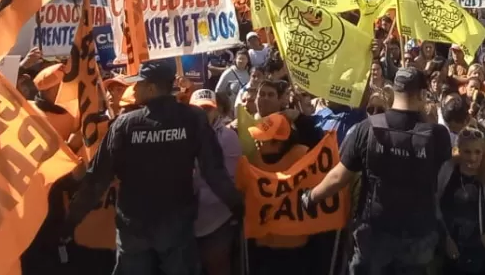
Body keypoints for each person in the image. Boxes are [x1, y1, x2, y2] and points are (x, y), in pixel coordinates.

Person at [63, 60, 242, 275]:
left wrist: (72, 218)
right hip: (176, 226)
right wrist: (238, 206)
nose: (134, 89)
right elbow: (214, 171)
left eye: (139, 84)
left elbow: (97, 179)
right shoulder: (193, 119)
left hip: (134, 227)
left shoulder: (124, 124)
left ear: (152, 88)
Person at [302, 68, 452, 275]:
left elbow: (339, 177)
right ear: (422, 94)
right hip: (417, 235)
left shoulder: (367, 128)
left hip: (374, 233)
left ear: (395, 92)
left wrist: (311, 197)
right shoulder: (437, 135)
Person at [438, 128, 485, 275]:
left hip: (481, 253)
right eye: (467, 152)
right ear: (458, 151)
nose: (473, 158)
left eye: (478, 152)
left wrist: (482, 243)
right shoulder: (448, 169)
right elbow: (435, 203)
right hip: (449, 249)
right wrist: (445, 238)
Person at [247, 113, 311, 273]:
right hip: (264, 244)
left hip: (294, 245)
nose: (257, 141)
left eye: (263, 138)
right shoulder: (252, 160)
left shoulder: (305, 158)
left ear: (280, 142)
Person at [190, 89, 241, 275]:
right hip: (187, 222)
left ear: (216, 111)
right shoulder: (180, 136)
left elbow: (228, 179)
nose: (203, 113)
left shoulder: (228, 137)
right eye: (198, 109)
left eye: (207, 109)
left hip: (217, 221)